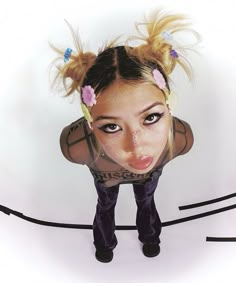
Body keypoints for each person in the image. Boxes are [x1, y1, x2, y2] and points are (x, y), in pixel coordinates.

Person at [51, 10, 199, 263]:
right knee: (106, 205)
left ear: (169, 108)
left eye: (151, 118)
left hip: (148, 178)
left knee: (147, 201)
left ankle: (150, 236)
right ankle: (104, 243)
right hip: (105, 176)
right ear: (89, 124)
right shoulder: (77, 146)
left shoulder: (180, 138)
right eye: (111, 127)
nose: (136, 145)